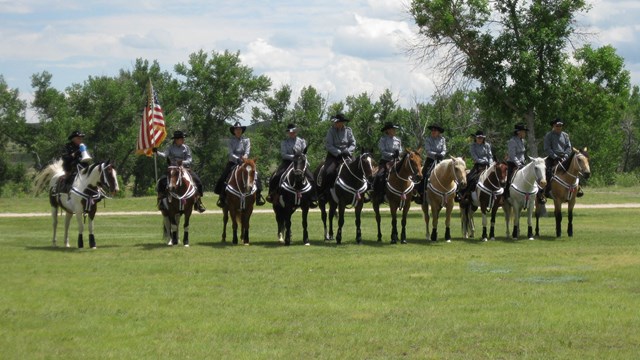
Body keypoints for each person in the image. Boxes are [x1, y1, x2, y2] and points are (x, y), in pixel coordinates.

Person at [214, 122, 265, 207]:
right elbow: (230, 153)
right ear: (234, 131)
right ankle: (222, 197)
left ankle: (258, 196)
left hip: (245, 162)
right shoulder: (230, 140)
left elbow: (247, 152)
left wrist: (244, 159)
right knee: (224, 176)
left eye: (240, 129)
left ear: (242, 130)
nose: (238, 131)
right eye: (236, 129)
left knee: (255, 175)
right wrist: (237, 159)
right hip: (233, 162)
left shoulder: (246, 140)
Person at [154, 130, 206, 213]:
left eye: (183, 138)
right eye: (181, 138)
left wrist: (182, 162)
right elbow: (164, 155)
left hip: (185, 168)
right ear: (176, 139)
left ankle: (198, 202)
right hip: (172, 168)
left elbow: (189, 159)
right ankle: (161, 201)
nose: (183, 140)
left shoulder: (186, 148)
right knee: (162, 182)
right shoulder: (170, 148)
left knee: (198, 182)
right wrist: (157, 152)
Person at [266, 123, 318, 206]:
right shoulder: (284, 142)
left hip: (300, 163)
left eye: (293, 132)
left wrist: (303, 159)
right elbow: (283, 154)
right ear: (288, 133)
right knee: (277, 175)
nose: (292, 133)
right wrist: (294, 157)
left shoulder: (302, 141)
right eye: (290, 132)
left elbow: (305, 153)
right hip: (287, 162)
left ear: (296, 132)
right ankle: (271, 194)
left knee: (311, 177)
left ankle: (313, 198)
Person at [317, 113, 356, 196]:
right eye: (336, 122)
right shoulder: (331, 131)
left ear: (342, 122)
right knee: (328, 172)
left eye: (338, 122)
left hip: (347, 154)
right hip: (334, 156)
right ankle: (326, 191)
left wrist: (348, 151)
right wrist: (338, 152)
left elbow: (353, 143)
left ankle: (360, 191)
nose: (336, 124)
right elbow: (329, 145)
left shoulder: (348, 130)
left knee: (358, 167)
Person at [543, 118, 582, 197]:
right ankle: (547, 189)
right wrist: (555, 157)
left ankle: (578, 188)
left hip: (564, 157)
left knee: (576, 169)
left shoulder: (565, 135)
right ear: (553, 126)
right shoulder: (549, 135)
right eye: (557, 125)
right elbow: (547, 148)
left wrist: (566, 155)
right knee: (547, 171)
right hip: (552, 157)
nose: (559, 127)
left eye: (560, 126)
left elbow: (568, 147)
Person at [414, 123, 446, 204]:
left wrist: (441, 154)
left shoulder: (442, 139)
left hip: (440, 161)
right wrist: (435, 154)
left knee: (449, 173)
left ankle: (451, 194)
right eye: (432, 130)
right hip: (430, 160)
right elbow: (428, 151)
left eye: (435, 130)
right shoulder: (428, 139)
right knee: (425, 175)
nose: (433, 131)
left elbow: (444, 150)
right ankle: (421, 194)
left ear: (439, 132)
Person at [373, 122, 402, 202]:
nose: (394, 130)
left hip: (396, 161)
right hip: (385, 161)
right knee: (379, 175)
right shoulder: (383, 140)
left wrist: (398, 154)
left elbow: (401, 150)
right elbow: (382, 151)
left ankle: (410, 192)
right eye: (393, 129)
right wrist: (391, 155)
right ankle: (379, 194)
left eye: (394, 129)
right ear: (388, 130)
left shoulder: (398, 140)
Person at [461, 130, 494, 199]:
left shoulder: (487, 145)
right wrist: (483, 161)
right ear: (475, 138)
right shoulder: (473, 146)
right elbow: (475, 157)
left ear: (483, 138)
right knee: (470, 178)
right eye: (478, 138)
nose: (480, 139)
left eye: (481, 138)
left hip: (488, 165)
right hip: (478, 165)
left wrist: (490, 163)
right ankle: (465, 194)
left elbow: (490, 156)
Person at [505, 123, 528, 199]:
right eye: (524, 131)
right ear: (518, 132)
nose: (525, 133)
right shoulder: (512, 141)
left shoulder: (523, 141)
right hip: (512, 163)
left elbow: (522, 154)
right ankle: (506, 194)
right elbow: (512, 155)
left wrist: (523, 162)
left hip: (522, 163)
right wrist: (519, 164)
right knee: (509, 178)